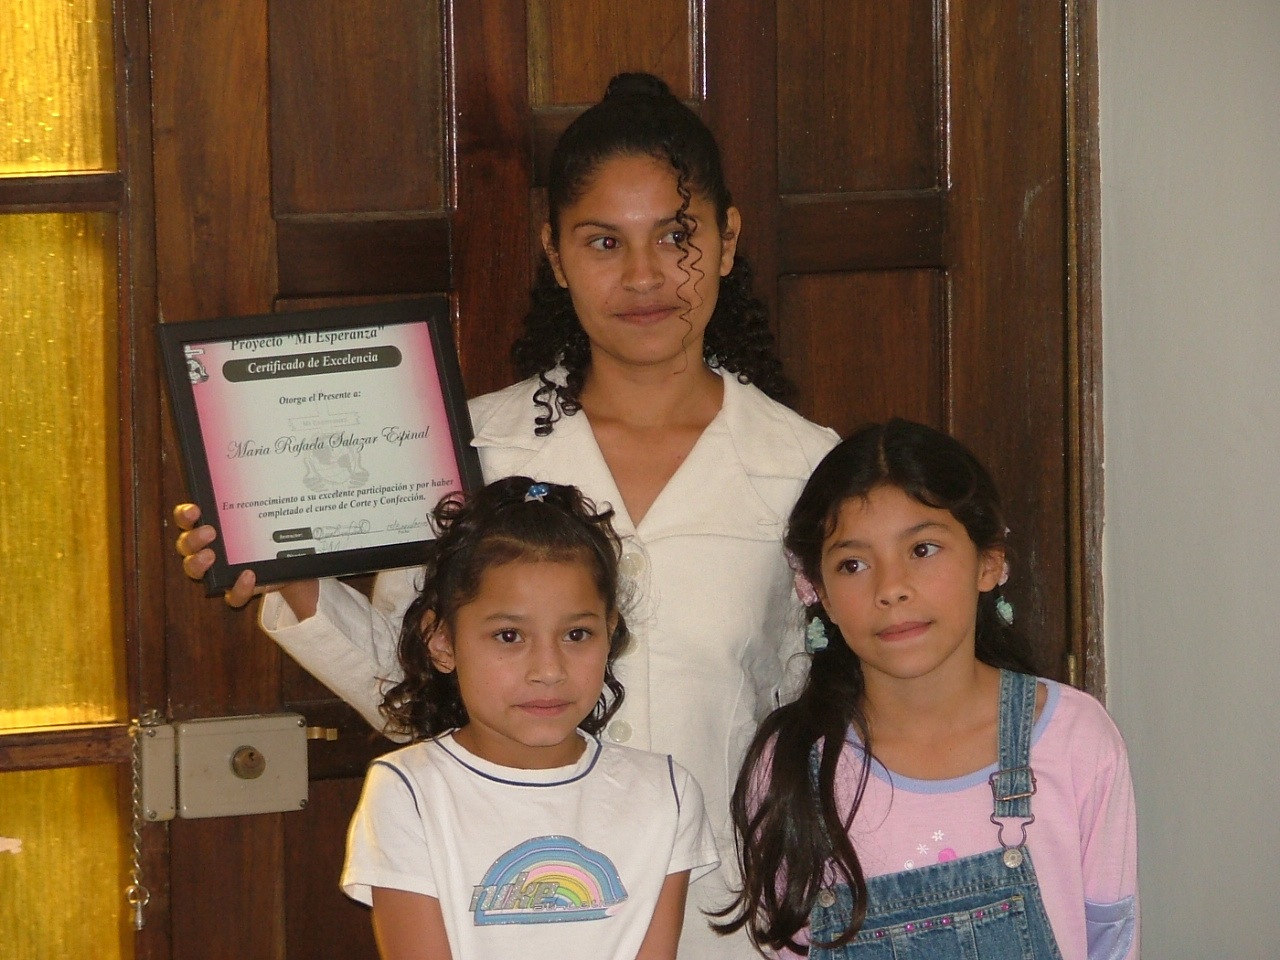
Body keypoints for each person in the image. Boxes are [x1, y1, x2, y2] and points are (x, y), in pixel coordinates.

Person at [174, 72, 838, 958]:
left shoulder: (808, 468)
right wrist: (282, 566)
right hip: (507, 918)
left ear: (726, 241)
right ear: (557, 257)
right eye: (604, 242)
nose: (644, 276)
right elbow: (416, 689)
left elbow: (834, 721)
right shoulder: (471, 451)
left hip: (736, 925)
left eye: (675, 237)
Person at [717, 419, 1139, 959]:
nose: (891, 588)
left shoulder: (1074, 739)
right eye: (853, 564)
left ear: (989, 562)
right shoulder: (792, 764)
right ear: (816, 589)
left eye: (923, 550)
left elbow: (1114, 942)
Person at [341, 477, 719, 960]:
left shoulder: (667, 793)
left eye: (577, 634)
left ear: (611, 633)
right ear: (441, 642)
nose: (548, 670)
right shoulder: (407, 791)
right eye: (509, 636)